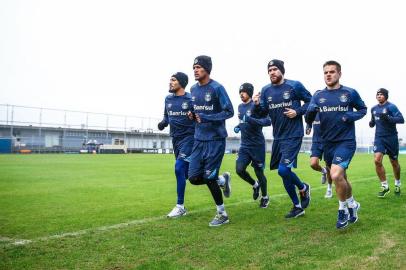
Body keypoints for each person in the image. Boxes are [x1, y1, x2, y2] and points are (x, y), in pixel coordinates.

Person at [305, 60, 367, 229]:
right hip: (327, 143)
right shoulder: (318, 96)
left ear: (339, 73)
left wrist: (349, 116)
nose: (329, 75)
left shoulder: (349, 93)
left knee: (336, 175)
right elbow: (308, 117)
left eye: (332, 72)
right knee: (342, 177)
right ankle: (353, 204)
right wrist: (309, 117)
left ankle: (343, 210)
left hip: (346, 141)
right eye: (326, 72)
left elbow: (362, 109)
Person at [253, 59, 312, 219]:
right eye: (269, 70)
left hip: (293, 134)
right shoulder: (265, 90)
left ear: (281, 71)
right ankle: (298, 206)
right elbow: (262, 112)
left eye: (274, 69)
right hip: (278, 136)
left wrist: (297, 112)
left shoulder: (294, 85)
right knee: (285, 173)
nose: (271, 72)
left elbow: (311, 102)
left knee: (283, 170)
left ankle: (303, 188)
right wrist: (257, 104)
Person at [187, 55, 234, 227]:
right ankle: (222, 180)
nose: (195, 70)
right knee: (192, 177)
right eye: (194, 67)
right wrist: (192, 115)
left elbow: (229, 111)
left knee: (208, 177)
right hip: (199, 140)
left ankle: (222, 214)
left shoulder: (217, 88)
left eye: (198, 67)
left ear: (207, 69)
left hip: (215, 140)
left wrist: (206, 117)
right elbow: (196, 111)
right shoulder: (193, 89)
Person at [158, 72, 195, 218]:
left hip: (190, 138)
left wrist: (193, 117)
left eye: (173, 80)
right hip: (176, 139)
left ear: (181, 82)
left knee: (178, 167)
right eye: (170, 79)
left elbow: (198, 117)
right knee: (187, 175)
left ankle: (180, 207)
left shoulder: (191, 98)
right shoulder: (168, 99)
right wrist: (163, 123)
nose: (170, 82)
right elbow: (166, 117)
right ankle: (220, 180)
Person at [234, 83, 271, 208]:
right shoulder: (239, 107)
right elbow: (243, 120)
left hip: (257, 145)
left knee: (259, 172)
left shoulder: (258, 105)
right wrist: (238, 126)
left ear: (249, 93)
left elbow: (267, 121)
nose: (241, 94)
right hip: (244, 145)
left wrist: (250, 119)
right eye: (240, 92)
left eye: (243, 92)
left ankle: (265, 197)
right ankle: (255, 185)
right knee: (239, 169)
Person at [369, 88, 404, 197]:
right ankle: (385, 186)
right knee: (377, 160)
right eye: (377, 94)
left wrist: (389, 117)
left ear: (385, 96)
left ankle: (397, 183)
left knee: (394, 162)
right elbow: (373, 121)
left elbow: (401, 119)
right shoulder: (373, 109)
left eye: (381, 94)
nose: (379, 96)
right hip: (379, 138)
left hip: (391, 138)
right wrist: (371, 123)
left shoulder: (391, 107)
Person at [306, 113, 333, 198]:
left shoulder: (328, 110)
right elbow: (308, 120)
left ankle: (329, 188)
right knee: (313, 164)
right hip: (316, 142)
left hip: (328, 141)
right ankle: (323, 171)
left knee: (329, 167)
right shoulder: (312, 112)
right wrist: (308, 127)